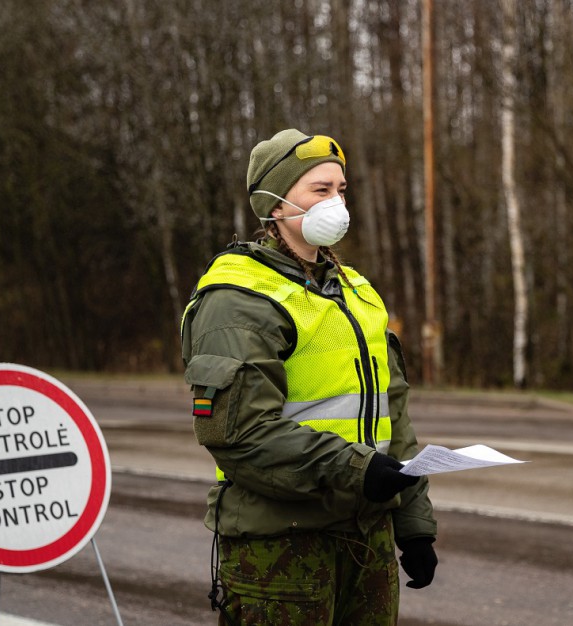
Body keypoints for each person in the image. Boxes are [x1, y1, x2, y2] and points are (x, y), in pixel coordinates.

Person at [180, 128, 438, 625]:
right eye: (320, 191)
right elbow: (240, 435)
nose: (336, 204)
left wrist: (413, 523)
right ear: (274, 205)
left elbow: (394, 417)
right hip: (282, 549)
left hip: (368, 540)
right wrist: (360, 470)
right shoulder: (238, 297)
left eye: (341, 190)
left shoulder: (355, 291)